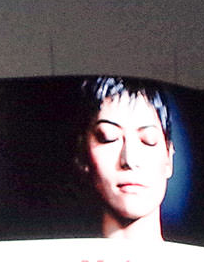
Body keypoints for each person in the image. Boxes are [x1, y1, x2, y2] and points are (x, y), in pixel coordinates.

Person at [75, 75, 174, 242]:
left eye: (148, 140)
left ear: (168, 159)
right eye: (109, 137)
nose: (129, 159)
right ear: (82, 156)